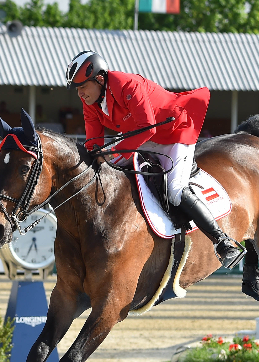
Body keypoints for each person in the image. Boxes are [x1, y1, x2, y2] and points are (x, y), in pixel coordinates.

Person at [65, 50, 243, 268]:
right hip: (143, 137)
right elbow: (93, 142)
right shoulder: (90, 102)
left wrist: (113, 153)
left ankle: (223, 242)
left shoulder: (127, 84)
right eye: (77, 89)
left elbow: (145, 128)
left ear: (99, 79)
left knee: (175, 191)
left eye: (82, 86)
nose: (80, 93)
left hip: (175, 133)